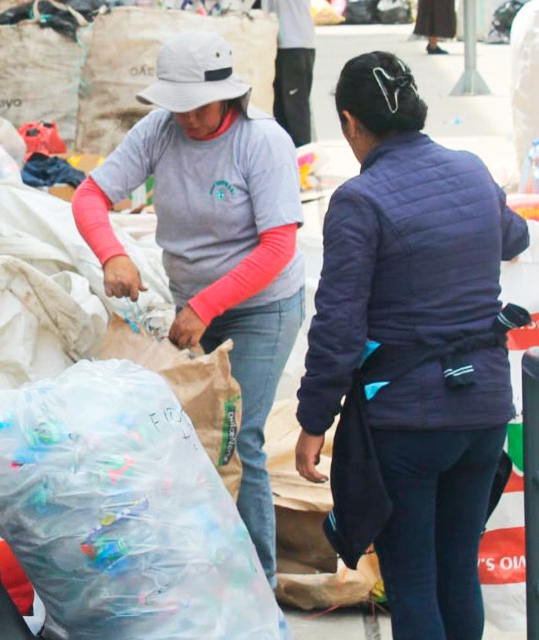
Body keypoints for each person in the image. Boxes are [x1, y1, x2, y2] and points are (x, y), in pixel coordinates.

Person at [294, 51, 530, 640]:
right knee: (457, 570)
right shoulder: (473, 170)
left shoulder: (359, 200)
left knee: (413, 580)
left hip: (409, 422)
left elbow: (338, 327)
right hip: (483, 414)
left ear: (350, 122)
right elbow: (514, 234)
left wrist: (313, 420)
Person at [71, 31, 304, 588]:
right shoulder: (159, 131)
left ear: (228, 96)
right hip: (192, 305)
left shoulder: (261, 142)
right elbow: (89, 197)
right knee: (189, 431)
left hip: (262, 308)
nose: (190, 120)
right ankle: (202, 569)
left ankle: (257, 587)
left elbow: (278, 246)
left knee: (235, 436)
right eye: (178, 108)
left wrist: (206, 306)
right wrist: (113, 255)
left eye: (199, 108)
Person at [263, 0, 317, 146]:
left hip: (294, 44)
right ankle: (287, 154)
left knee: (295, 109)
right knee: (280, 108)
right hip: (282, 44)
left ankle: (303, 155)